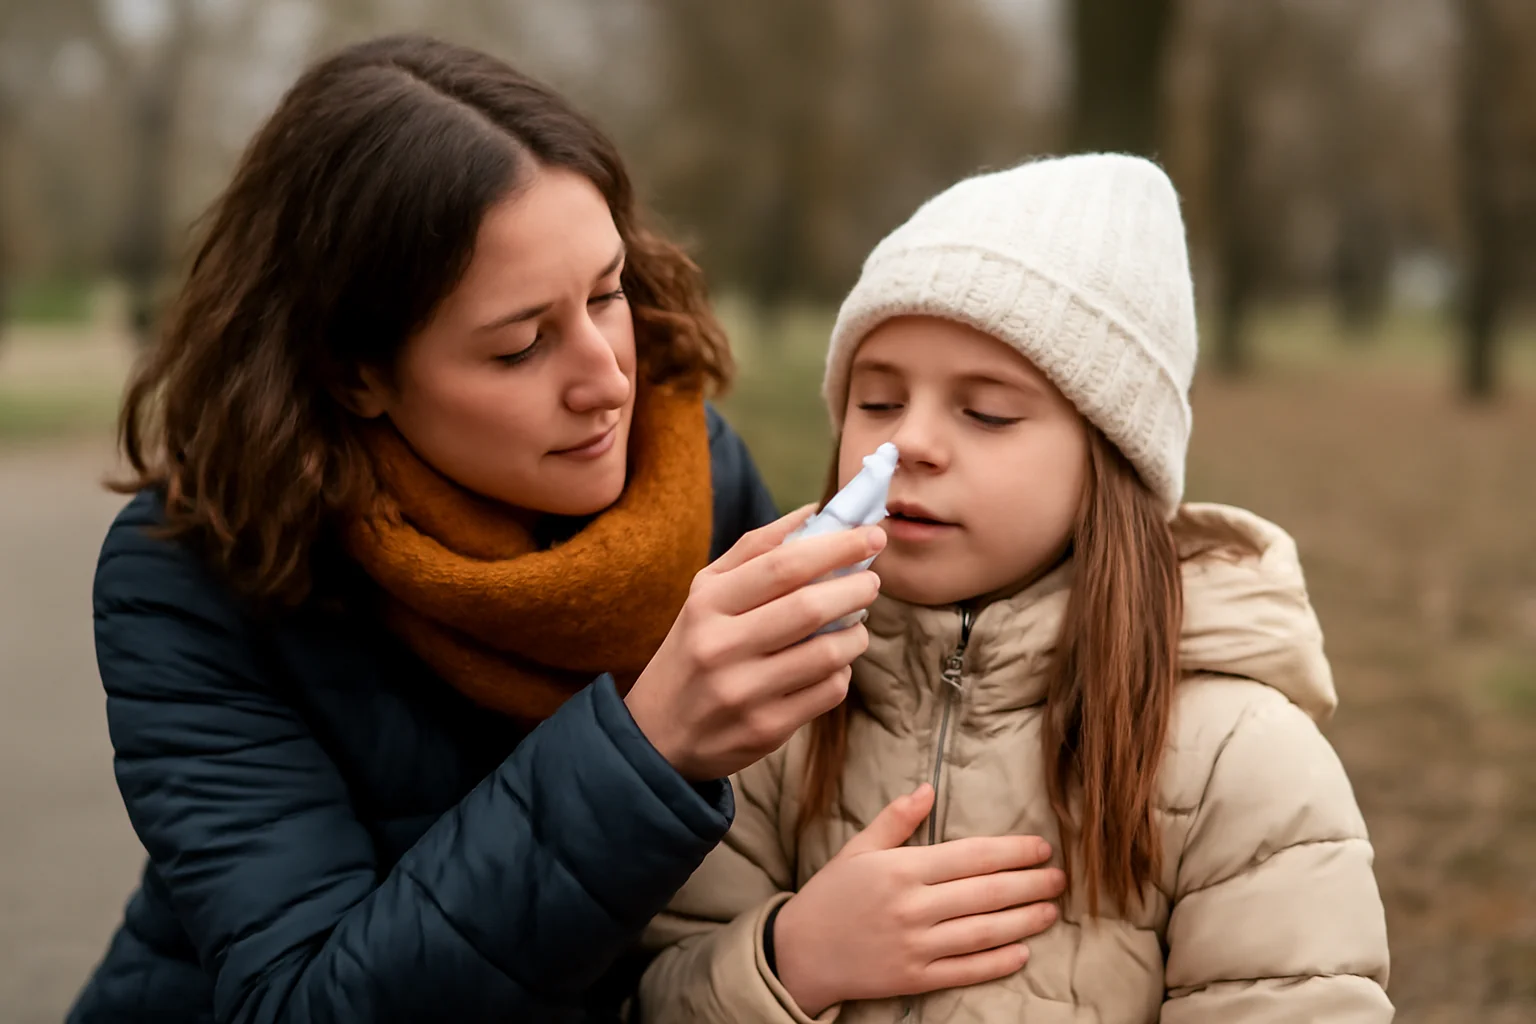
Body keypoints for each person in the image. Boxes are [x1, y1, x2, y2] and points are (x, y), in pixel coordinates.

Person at [66, 34, 911, 1024]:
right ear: (355, 373)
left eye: (607, 293)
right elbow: (303, 1003)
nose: (608, 379)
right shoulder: (192, 577)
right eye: (521, 346)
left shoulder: (697, 471)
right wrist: (646, 750)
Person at [640, 154, 1393, 1022]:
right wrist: (788, 961)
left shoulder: (1241, 759)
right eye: (877, 402)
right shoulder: (772, 704)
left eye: (986, 411)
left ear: (1109, 458)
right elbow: (654, 989)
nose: (909, 443)